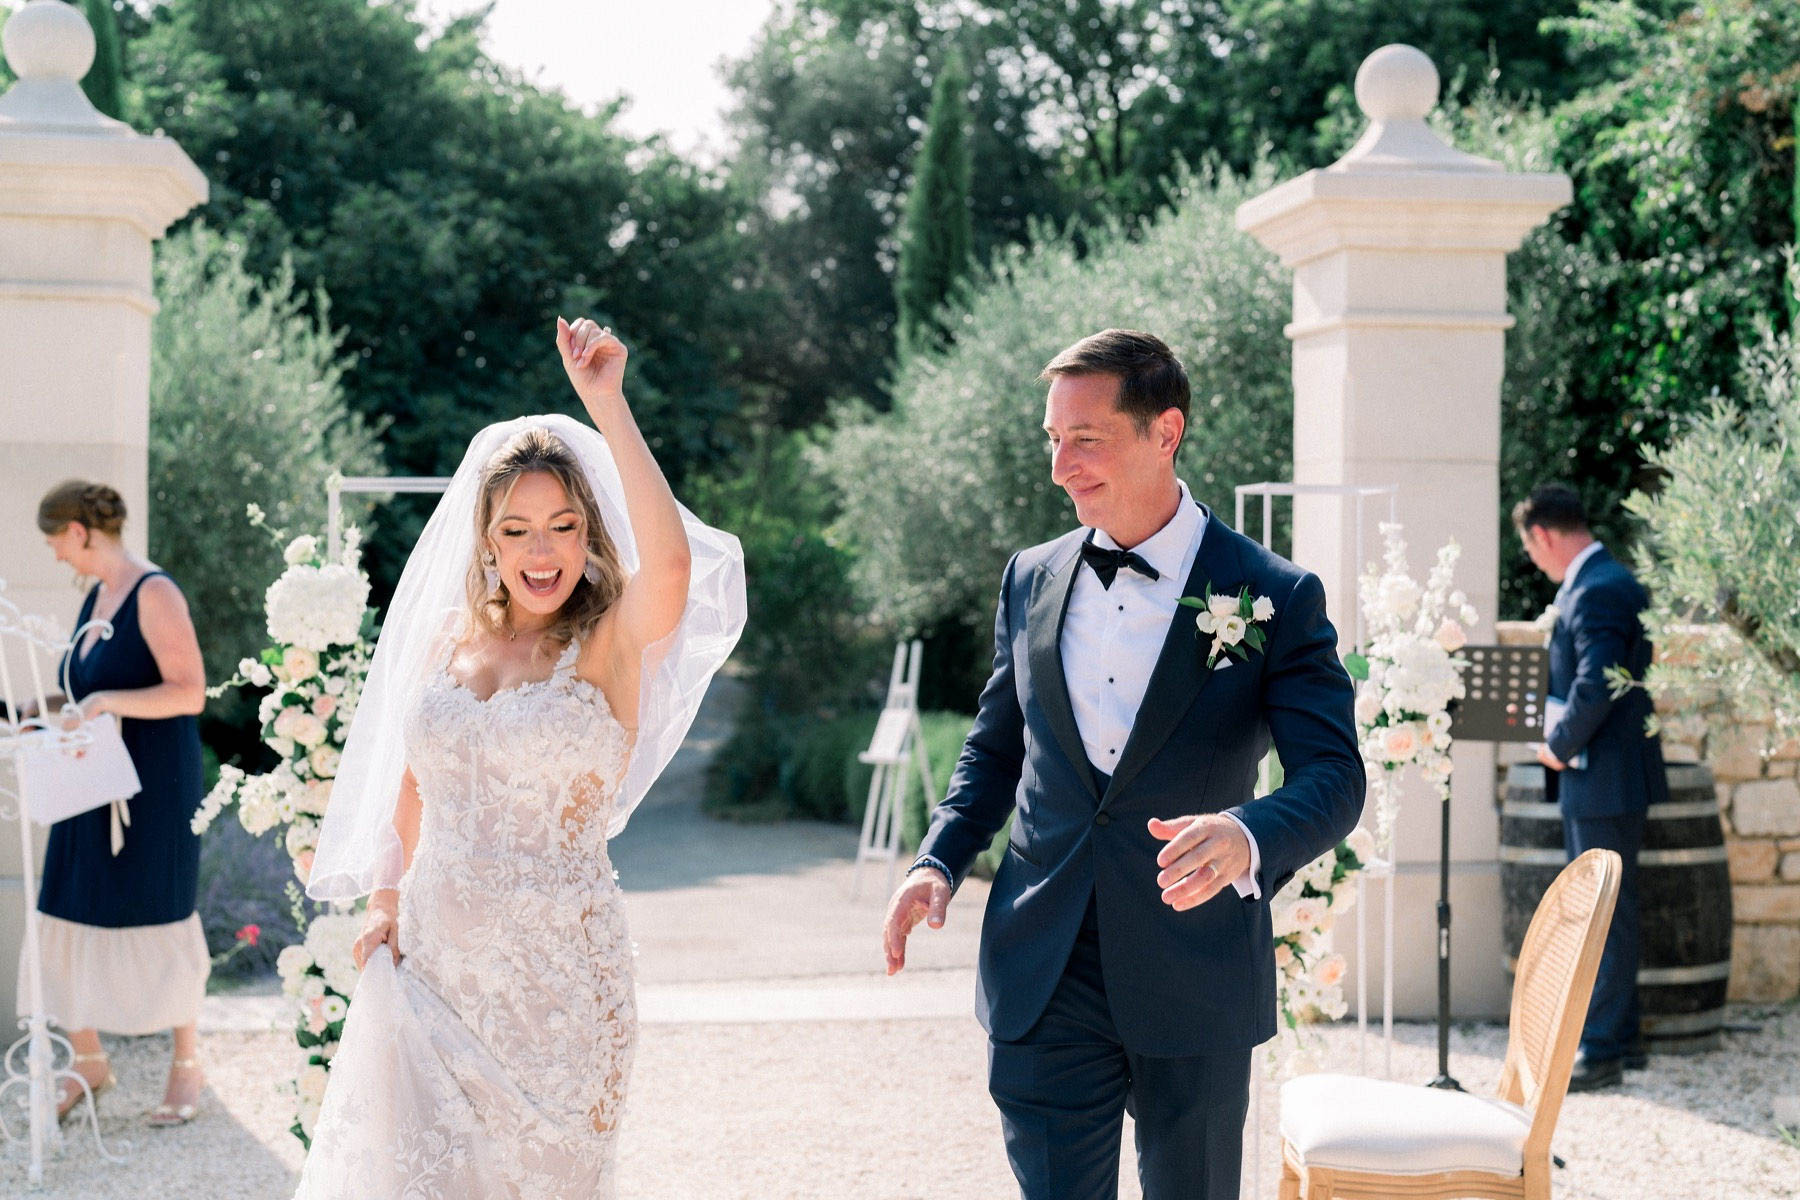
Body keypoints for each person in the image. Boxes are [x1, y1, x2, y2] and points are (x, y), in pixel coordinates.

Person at [882, 329, 1364, 1200]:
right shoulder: (1030, 578)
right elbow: (998, 747)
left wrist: (1247, 832)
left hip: (1196, 965)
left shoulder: (1273, 596)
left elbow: (1335, 777)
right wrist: (939, 857)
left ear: (1165, 432)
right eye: (1053, 441)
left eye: (1086, 440)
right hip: (1044, 962)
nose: (1062, 466)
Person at [292, 319, 744, 1198]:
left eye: (564, 527)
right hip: (432, 971)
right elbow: (414, 786)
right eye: (520, 530)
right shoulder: (446, 650)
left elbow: (676, 569)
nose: (544, 552)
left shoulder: (607, 645)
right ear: (489, 544)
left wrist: (607, 404)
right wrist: (383, 901)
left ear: (588, 537)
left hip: (562, 988)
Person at [18, 481, 210, 1126]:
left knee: (158, 908)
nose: (56, 558)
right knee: (68, 906)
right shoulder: (96, 596)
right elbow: (84, 694)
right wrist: (25, 715)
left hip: (152, 789)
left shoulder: (154, 592)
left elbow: (189, 692)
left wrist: (107, 706)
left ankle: (186, 1066)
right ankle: (89, 1062)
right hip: (87, 785)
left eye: (55, 543)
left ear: (79, 531)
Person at [1515, 482, 1662, 1091]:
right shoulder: (1607, 579)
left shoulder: (1597, 588)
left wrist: (1558, 744)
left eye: (1530, 549)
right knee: (1613, 911)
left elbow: (1599, 680)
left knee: (1603, 915)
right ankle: (1620, 1038)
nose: (1535, 561)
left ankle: (1602, 1049)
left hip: (1602, 775)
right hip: (1610, 774)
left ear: (1543, 535)